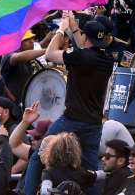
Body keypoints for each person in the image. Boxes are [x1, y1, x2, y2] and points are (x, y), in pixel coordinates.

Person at [24, 18, 114, 195]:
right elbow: (85, 50)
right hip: (93, 124)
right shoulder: (107, 60)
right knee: (91, 172)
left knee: (37, 157)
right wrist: (74, 27)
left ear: (85, 37)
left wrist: (61, 29)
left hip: (71, 120)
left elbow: (49, 55)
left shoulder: (80, 57)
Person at [1, 29, 45, 102]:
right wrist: (47, 50)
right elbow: (17, 57)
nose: (32, 41)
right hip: (12, 106)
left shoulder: (30, 60)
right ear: (17, 43)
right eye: (27, 39)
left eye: (32, 38)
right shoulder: (8, 55)